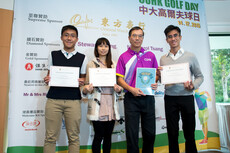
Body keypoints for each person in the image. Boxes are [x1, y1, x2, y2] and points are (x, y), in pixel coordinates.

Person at [159, 25, 204, 153]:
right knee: (172, 133)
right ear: (166, 40)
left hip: (187, 97)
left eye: (175, 35)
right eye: (170, 37)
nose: (173, 39)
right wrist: (159, 75)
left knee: (189, 132)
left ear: (180, 37)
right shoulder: (163, 58)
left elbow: (200, 76)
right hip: (170, 99)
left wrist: (193, 85)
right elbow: (163, 79)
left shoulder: (190, 56)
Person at [43, 25, 88, 153]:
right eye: (66, 35)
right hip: (53, 100)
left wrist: (82, 82)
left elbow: (83, 80)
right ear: (62, 37)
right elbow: (49, 75)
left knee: (73, 138)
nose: (69, 38)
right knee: (50, 137)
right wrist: (47, 79)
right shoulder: (53, 55)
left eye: (72, 36)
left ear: (77, 39)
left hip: (73, 101)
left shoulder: (82, 57)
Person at [116, 26, 159, 153]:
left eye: (140, 36)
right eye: (134, 35)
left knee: (150, 133)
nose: (137, 38)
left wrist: (154, 82)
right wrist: (131, 89)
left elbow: (156, 74)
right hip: (131, 98)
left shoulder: (150, 55)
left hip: (148, 98)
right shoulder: (123, 57)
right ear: (129, 38)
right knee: (132, 134)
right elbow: (119, 79)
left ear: (143, 38)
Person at [82, 37, 123, 153]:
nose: (103, 48)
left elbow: (119, 87)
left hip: (111, 102)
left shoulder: (114, 64)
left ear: (109, 48)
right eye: (100, 46)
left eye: (106, 46)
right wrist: (87, 88)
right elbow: (86, 86)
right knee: (98, 135)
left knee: (108, 136)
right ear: (96, 48)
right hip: (97, 103)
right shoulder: (91, 64)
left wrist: (118, 89)